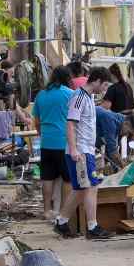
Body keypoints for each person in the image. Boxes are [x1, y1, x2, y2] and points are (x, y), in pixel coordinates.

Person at [54, 67, 113, 239]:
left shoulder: (88, 97)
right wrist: (73, 149)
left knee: (81, 188)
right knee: (91, 186)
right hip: (80, 151)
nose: (105, 89)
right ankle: (92, 227)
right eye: (105, 85)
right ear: (97, 81)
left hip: (85, 150)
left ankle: (62, 221)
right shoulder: (79, 97)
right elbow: (70, 124)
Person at [32, 66, 74, 220]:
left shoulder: (41, 95)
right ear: (66, 78)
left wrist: (42, 134)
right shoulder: (70, 94)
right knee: (68, 178)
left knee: (47, 177)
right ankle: (63, 211)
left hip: (46, 142)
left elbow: (36, 121)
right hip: (64, 142)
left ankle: (47, 210)